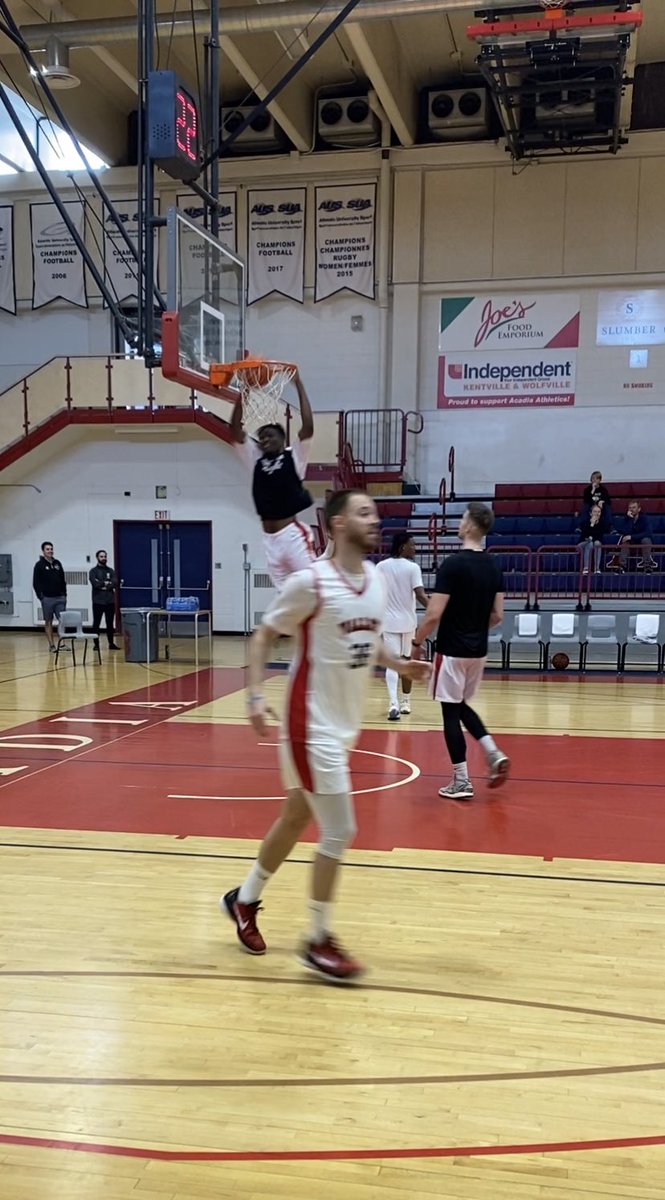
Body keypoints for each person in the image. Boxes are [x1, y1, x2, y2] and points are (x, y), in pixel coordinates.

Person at [222, 489, 430, 982]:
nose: (374, 519)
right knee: (340, 830)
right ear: (337, 524)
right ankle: (318, 941)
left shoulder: (375, 579)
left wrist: (400, 664)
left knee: (296, 816)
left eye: (375, 513)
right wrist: (254, 696)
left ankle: (244, 900)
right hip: (308, 723)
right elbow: (264, 634)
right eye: (363, 512)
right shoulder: (311, 582)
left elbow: (368, 639)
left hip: (342, 726)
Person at [411, 502, 509, 801]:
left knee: (450, 712)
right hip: (478, 651)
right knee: (460, 706)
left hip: (452, 649)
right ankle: (492, 752)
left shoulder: (452, 565)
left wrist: (416, 643)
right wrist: (475, 629)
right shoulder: (494, 565)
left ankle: (462, 780)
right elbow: (498, 615)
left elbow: (433, 614)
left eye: (463, 518)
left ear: (470, 526)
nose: (460, 522)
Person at [231, 369, 316, 591]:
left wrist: (299, 384)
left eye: (270, 435)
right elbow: (235, 430)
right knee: (286, 598)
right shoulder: (256, 459)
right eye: (262, 437)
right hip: (270, 541)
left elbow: (308, 427)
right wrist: (244, 391)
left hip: (292, 536)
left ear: (282, 439)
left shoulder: (294, 456)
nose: (265, 439)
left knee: (313, 591)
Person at [375, 532, 428, 720]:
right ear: (402, 546)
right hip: (407, 622)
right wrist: (435, 610)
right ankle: (403, 702)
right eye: (412, 544)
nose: (415, 548)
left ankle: (395, 703)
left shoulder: (380, 566)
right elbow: (420, 595)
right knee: (406, 662)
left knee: (393, 662)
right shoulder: (413, 568)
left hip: (389, 622)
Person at [32, 541, 67, 653]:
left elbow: (63, 579)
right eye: (47, 549)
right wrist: (41, 597)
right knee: (48, 621)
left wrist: (64, 594)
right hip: (47, 598)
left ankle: (62, 644)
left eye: (51, 549)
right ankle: (52, 645)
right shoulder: (39, 565)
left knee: (62, 620)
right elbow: (36, 583)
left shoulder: (57, 563)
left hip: (60, 598)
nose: (50, 551)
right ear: (43, 551)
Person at [609, 500, 657, 572]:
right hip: (631, 541)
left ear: (639, 509)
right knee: (625, 543)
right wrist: (630, 519)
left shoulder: (644, 518)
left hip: (641, 539)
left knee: (646, 540)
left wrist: (632, 537)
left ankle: (647, 566)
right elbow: (626, 532)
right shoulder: (627, 518)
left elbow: (648, 533)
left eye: (634, 507)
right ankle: (622, 566)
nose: (631, 509)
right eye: (630, 508)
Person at [89, 550, 120, 649]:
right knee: (96, 623)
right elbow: (95, 584)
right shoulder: (93, 571)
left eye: (105, 556)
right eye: (101, 556)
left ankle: (111, 643)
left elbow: (115, 583)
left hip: (110, 601)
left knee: (110, 623)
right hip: (98, 601)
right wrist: (105, 583)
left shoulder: (111, 571)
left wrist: (103, 584)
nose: (103, 558)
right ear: (97, 558)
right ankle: (96, 644)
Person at [577, 503, 611, 574]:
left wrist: (591, 537)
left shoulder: (602, 523)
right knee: (590, 543)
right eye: (595, 512)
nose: (597, 514)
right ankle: (586, 568)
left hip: (593, 543)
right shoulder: (585, 522)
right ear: (590, 513)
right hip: (582, 544)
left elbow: (599, 536)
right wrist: (592, 524)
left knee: (597, 543)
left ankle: (597, 568)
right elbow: (585, 536)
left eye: (599, 512)